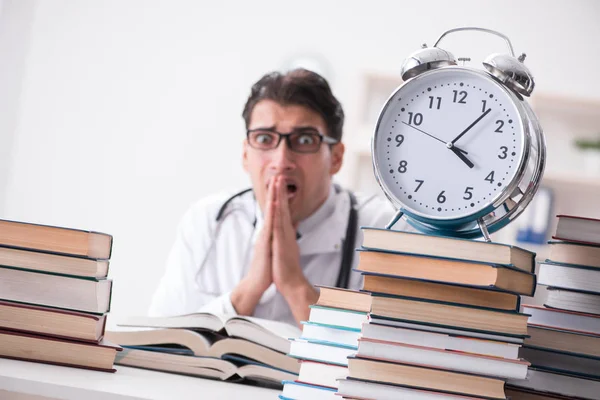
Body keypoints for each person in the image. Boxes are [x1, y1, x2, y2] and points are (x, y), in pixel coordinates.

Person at [149, 68, 406, 327]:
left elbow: (389, 354)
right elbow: (159, 340)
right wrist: (249, 289)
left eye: (304, 140)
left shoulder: (385, 229)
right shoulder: (207, 221)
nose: (281, 161)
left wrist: (295, 286)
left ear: (336, 158)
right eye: (264, 138)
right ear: (245, 155)